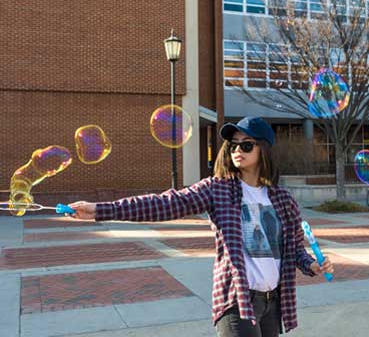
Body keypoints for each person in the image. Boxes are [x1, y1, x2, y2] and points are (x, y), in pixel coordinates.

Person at [69, 116, 334, 337]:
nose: (237, 150)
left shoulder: (283, 199)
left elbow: (295, 249)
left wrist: (311, 264)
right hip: (238, 301)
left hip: (272, 302)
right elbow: (164, 204)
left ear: (263, 149)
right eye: (233, 145)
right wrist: (100, 210)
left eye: (247, 145)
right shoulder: (217, 189)